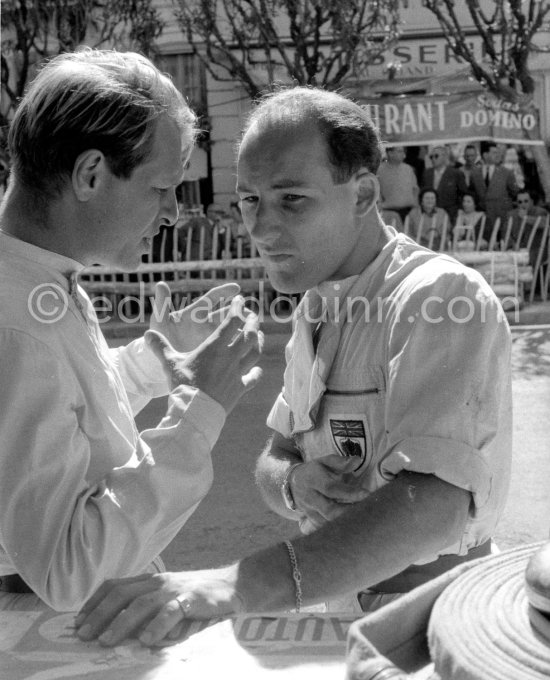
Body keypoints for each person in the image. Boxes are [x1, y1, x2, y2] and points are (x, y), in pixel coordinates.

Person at [75, 86, 512, 647]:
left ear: (362, 194)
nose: (260, 228)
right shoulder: (319, 306)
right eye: (250, 201)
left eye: (292, 199)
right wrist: (294, 484)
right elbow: (275, 455)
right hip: (339, 616)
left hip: (438, 619)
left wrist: (238, 583)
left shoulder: (438, 296)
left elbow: (435, 506)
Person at [0, 49, 262, 611]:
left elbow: (64, 407)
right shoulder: (18, 321)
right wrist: (199, 409)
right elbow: (68, 569)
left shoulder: (35, 280)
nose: (172, 213)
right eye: (160, 188)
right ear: (91, 174)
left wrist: (152, 361)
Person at [470, 142, 518, 241]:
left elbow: (514, 193)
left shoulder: (506, 173)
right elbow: (473, 193)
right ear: (485, 155)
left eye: (498, 153)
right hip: (484, 219)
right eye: (494, 152)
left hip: (502, 217)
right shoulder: (475, 173)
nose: (498, 155)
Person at [421, 145, 467, 224]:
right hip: (430, 213)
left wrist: (460, 211)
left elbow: (463, 194)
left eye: (436, 156)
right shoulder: (427, 174)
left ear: (444, 157)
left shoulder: (456, 173)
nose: (433, 159)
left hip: (451, 214)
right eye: (431, 157)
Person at [376, 145, 418, 223]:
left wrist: (415, 206)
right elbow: (376, 190)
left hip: (409, 211)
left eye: (403, 151)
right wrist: (380, 205)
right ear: (390, 153)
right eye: (400, 151)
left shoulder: (408, 169)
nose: (403, 154)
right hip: (389, 211)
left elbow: (415, 189)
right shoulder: (379, 170)